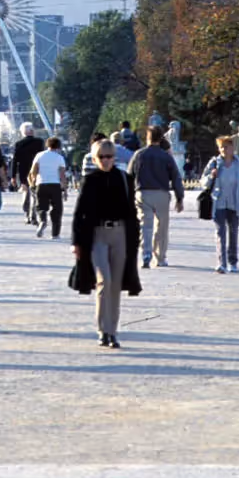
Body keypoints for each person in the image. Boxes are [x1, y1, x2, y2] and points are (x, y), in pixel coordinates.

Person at [69, 138, 142, 348]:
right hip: (97, 235)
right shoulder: (90, 181)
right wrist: (76, 242)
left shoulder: (124, 179)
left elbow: (131, 212)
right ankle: (102, 330)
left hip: (120, 235)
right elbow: (79, 212)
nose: (106, 160)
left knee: (116, 285)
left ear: (114, 158)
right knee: (104, 281)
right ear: (95, 158)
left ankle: (112, 331)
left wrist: (135, 240)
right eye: (101, 157)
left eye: (109, 156)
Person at [126, 125, 184, 268]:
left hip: (143, 193)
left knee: (145, 225)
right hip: (162, 194)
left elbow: (129, 176)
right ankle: (160, 257)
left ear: (148, 137)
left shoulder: (138, 154)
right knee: (161, 227)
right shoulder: (166, 157)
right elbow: (176, 177)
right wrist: (179, 197)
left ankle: (146, 254)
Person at [202, 135, 239, 274]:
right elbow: (203, 181)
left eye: (226, 147)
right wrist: (211, 176)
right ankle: (221, 263)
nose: (223, 149)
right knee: (220, 233)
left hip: (235, 203)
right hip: (219, 202)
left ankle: (233, 262)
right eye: (221, 147)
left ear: (232, 148)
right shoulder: (214, 163)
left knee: (233, 232)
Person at [30, 136, 70, 239]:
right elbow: (62, 175)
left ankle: (42, 221)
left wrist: (33, 182)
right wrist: (65, 190)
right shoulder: (59, 158)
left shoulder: (39, 155)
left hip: (41, 184)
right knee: (57, 210)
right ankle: (55, 234)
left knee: (41, 207)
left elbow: (33, 171)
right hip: (55, 185)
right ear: (58, 146)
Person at [12, 122, 46, 225]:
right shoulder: (40, 142)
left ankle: (27, 214)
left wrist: (13, 175)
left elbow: (15, 161)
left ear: (23, 132)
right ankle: (33, 215)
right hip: (37, 171)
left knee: (26, 193)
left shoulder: (18, 144)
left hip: (24, 172)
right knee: (34, 195)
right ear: (32, 131)